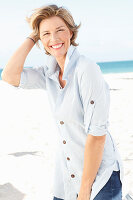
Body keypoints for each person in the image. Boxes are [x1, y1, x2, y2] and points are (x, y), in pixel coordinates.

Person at [1, 4, 124, 200]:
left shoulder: (86, 69)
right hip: (67, 178)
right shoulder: (48, 73)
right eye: (46, 34)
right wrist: (33, 37)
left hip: (99, 179)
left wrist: (85, 191)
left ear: (71, 33)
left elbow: (97, 134)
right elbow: (9, 76)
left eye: (60, 30)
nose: (54, 39)